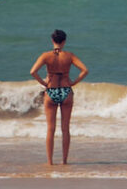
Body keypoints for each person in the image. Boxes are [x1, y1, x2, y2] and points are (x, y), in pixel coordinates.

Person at [30, 29, 89, 165]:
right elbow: (85, 70)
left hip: (51, 91)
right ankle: (64, 161)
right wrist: (73, 82)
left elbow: (33, 71)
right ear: (64, 41)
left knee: (50, 129)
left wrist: (44, 83)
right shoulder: (69, 56)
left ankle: (50, 162)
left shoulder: (46, 56)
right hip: (66, 91)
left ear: (52, 41)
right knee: (65, 128)